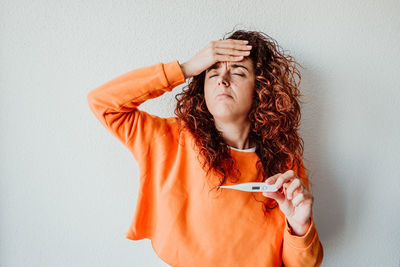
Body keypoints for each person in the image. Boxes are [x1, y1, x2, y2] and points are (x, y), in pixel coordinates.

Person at [87, 29, 323, 267]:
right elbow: (103, 102)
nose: (222, 80)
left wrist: (299, 226)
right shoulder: (168, 139)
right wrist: (186, 68)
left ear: (261, 89)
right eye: (212, 72)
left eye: (238, 72)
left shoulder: (286, 166)